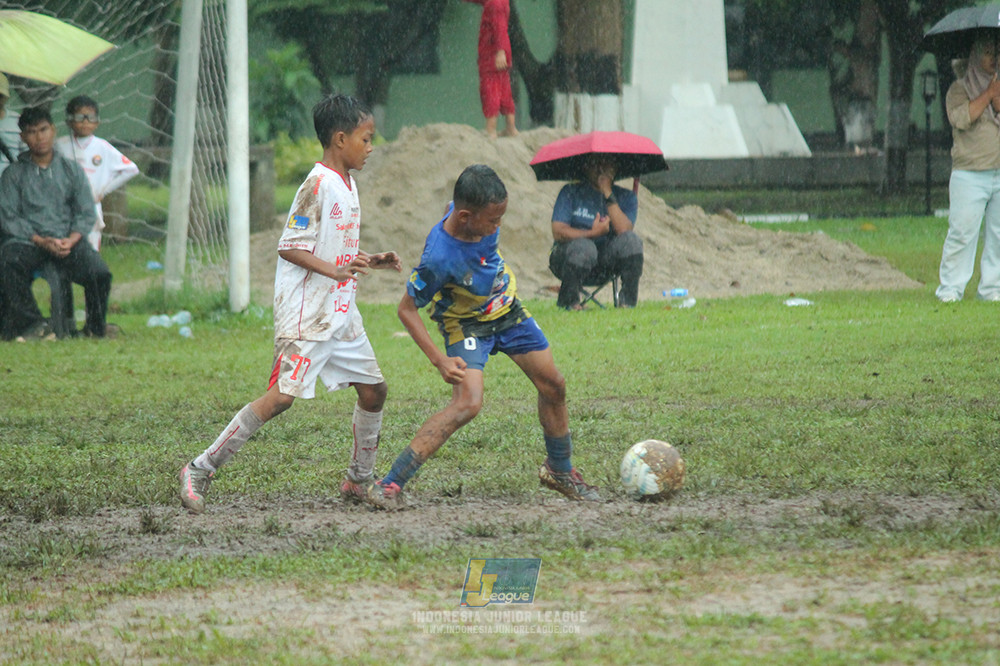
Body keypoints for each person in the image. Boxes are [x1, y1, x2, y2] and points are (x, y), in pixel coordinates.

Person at [178, 93, 402, 514]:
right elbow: (290, 246)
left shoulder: (347, 183)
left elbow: (331, 247)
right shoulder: (317, 184)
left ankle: (358, 481)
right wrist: (334, 271)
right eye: (366, 138)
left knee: (374, 391)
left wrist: (367, 259)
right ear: (340, 139)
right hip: (308, 316)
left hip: (341, 312)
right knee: (281, 398)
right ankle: (199, 468)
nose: (371, 147)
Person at [366, 164, 600, 509]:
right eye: (493, 220)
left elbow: (455, 207)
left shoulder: (469, 212)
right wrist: (439, 360)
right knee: (468, 403)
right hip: (466, 324)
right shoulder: (438, 258)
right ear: (465, 217)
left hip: (507, 311)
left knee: (554, 385)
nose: (498, 226)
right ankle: (389, 484)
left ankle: (559, 470)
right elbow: (406, 310)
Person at [0, 106, 111, 340]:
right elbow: (9, 217)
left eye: (43, 130)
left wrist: (71, 239)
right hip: (29, 242)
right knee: (8, 262)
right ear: (23, 137)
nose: (39, 137)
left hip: (67, 241)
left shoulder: (71, 170)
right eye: (32, 132)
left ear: (53, 130)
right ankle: (33, 324)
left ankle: (94, 329)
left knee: (100, 273)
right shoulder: (13, 174)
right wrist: (40, 240)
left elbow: (85, 211)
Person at [936, 32, 1000, 303]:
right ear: (974, 56)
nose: (993, 58)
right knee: (962, 233)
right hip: (969, 174)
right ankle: (951, 289)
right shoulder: (959, 88)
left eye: (996, 52)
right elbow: (961, 118)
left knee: (998, 235)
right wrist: (989, 94)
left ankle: (992, 289)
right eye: (987, 52)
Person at [548, 155, 644, 310]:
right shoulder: (570, 191)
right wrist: (592, 233)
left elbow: (624, 230)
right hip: (569, 258)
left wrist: (607, 192)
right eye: (596, 164)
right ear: (586, 167)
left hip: (605, 261)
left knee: (632, 242)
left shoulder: (627, 197)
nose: (601, 170)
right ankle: (570, 302)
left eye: (607, 165)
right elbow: (558, 231)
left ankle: (627, 303)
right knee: (584, 247)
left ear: (615, 169)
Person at [56, 95, 140, 252]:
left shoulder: (102, 147)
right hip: (64, 206)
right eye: (80, 117)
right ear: (69, 121)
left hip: (91, 206)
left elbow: (131, 169)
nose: (85, 122)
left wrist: (103, 191)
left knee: (91, 247)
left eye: (90, 117)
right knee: (64, 246)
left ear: (97, 122)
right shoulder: (60, 145)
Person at [465, 0, 518, 138]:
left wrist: (500, 51)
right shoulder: (500, 2)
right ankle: (511, 128)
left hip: (492, 55)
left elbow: (500, 28)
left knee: (489, 91)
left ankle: (491, 129)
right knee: (504, 90)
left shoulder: (495, 4)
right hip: (500, 55)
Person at [0, 74, 25, 177]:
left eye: (0, 96)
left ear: (6, 97)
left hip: (13, 180)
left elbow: (27, 155)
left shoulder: (17, 120)